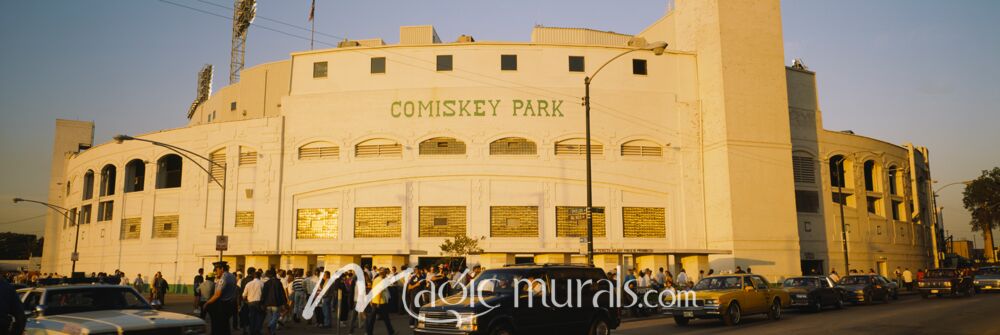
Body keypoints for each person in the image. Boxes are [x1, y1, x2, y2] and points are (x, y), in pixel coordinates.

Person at [204, 261, 238, 335]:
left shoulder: (224, 278)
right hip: (230, 304)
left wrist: (207, 303)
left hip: (222, 306)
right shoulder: (232, 276)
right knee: (225, 326)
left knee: (218, 327)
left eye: (216, 270)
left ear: (222, 269)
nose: (215, 272)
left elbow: (217, 294)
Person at [261, 269, 287, 335]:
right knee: (276, 317)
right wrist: (284, 302)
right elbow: (282, 293)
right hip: (276, 303)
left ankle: (272, 332)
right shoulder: (278, 283)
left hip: (268, 303)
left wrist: (262, 303)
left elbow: (264, 294)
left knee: (270, 317)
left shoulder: (266, 283)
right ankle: (270, 326)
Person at [242, 270, 264, 335]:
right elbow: (264, 294)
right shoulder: (262, 283)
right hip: (259, 302)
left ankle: (252, 331)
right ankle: (257, 330)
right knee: (259, 317)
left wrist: (244, 301)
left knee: (252, 317)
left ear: (253, 276)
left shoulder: (248, 284)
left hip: (250, 303)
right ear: (260, 276)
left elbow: (244, 295)